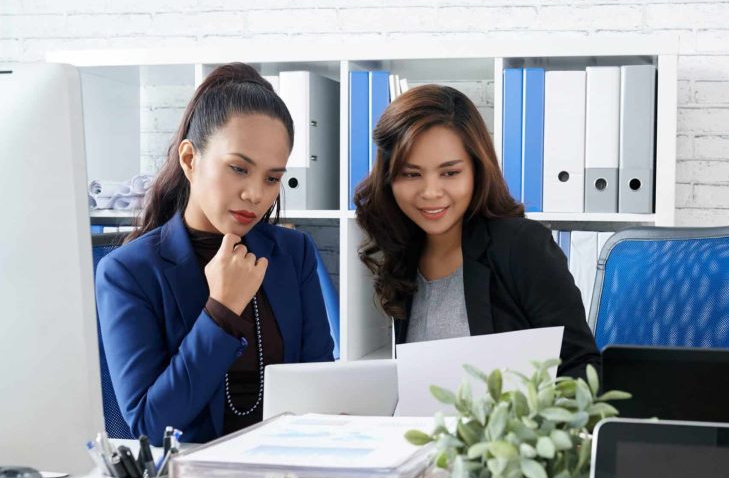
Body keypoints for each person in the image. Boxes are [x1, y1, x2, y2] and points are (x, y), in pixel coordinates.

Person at [96, 63, 334, 443]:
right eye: (239, 168)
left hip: (289, 470)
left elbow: (321, 385)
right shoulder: (128, 272)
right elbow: (150, 426)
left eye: (272, 178)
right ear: (190, 159)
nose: (256, 194)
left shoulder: (293, 253)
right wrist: (221, 310)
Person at [353, 84, 600, 379]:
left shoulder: (522, 247)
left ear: (476, 170)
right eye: (411, 174)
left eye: (450, 173)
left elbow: (581, 369)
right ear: (389, 179)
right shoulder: (403, 252)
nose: (431, 192)